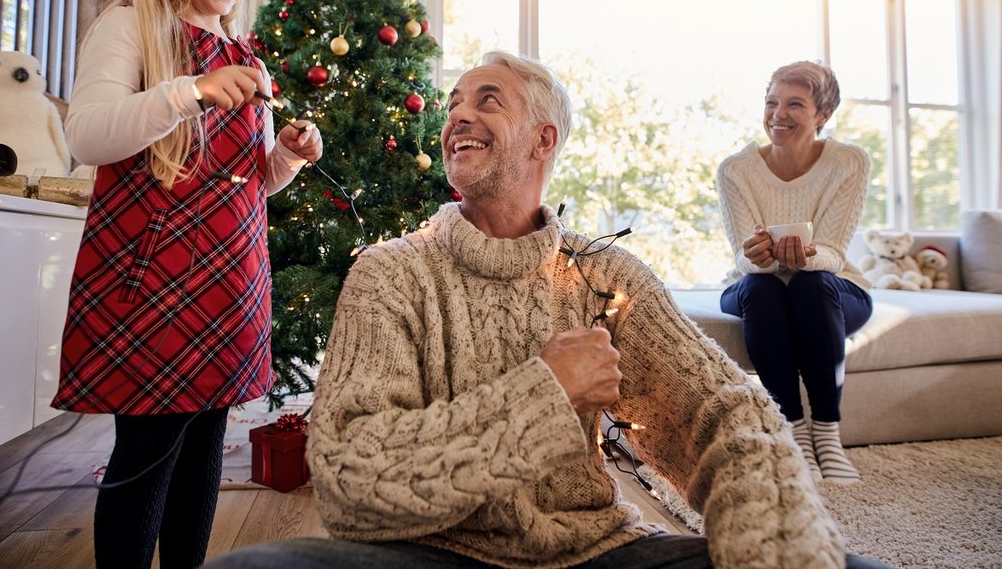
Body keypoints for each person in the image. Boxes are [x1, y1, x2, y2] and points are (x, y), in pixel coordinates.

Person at [205, 53, 891, 569]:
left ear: (543, 140)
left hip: (595, 552)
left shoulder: (605, 275)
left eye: (488, 100)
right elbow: (350, 475)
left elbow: (728, 420)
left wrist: (770, 552)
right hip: (433, 553)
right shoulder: (390, 273)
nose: (457, 116)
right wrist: (545, 392)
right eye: (453, 104)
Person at [49, 0, 321, 567]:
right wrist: (189, 90)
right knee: (146, 453)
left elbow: (252, 179)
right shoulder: (130, 25)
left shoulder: (245, 55)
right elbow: (87, 134)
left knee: (204, 448)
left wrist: (285, 154)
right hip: (150, 280)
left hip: (230, 282)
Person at [716, 61, 872, 485]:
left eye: (794, 104)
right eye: (771, 102)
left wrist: (805, 257)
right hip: (754, 284)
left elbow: (835, 254)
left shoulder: (849, 162)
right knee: (761, 287)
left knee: (809, 283)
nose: (777, 114)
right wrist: (758, 258)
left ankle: (827, 434)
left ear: (823, 115)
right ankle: (794, 432)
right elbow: (743, 258)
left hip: (829, 285)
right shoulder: (737, 169)